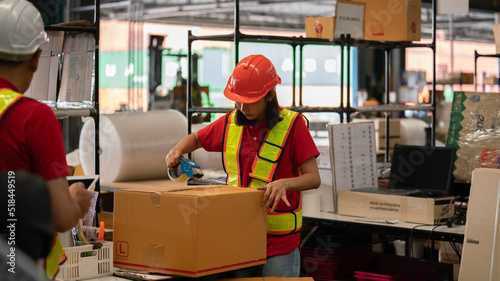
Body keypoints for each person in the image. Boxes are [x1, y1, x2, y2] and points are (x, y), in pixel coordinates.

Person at [166, 54, 321, 277]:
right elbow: (196, 139)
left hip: (279, 245)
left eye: (249, 101)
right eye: (238, 100)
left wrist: (285, 183)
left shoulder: (293, 126)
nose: (242, 107)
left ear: (269, 95)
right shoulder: (231, 123)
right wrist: (177, 150)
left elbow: (313, 178)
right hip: (239, 236)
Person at [0, 0, 92, 279]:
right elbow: (63, 217)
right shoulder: (34, 118)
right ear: (36, 57)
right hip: (18, 266)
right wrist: (76, 199)